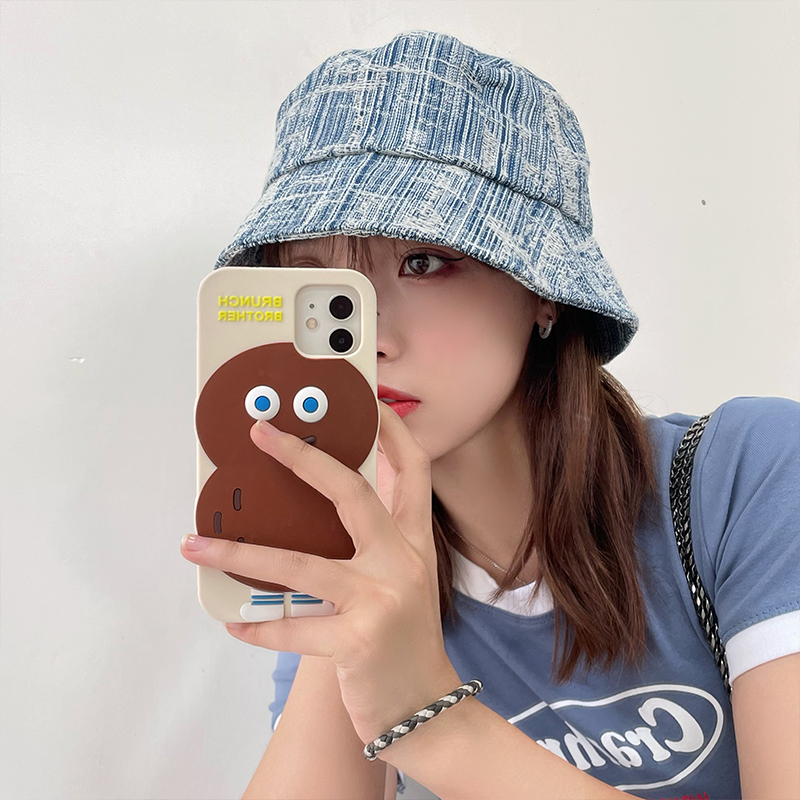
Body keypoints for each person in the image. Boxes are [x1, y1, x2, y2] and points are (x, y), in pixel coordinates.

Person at [181, 30, 800, 799]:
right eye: (321, 291)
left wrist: (429, 721)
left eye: (422, 262)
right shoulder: (358, 572)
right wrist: (340, 582)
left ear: (542, 291)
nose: (371, 338)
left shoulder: (748, 477)